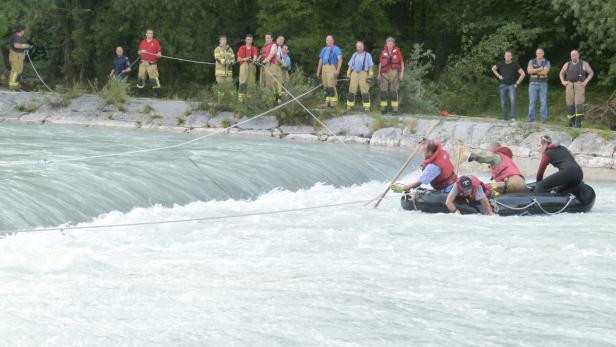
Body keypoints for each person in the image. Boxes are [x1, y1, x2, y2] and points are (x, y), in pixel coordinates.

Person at [391, 140, 457, 193]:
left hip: (447, 190)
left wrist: (403, 188)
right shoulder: (442, 152)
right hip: (453, 182)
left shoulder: (433, 166)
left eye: (423, 152)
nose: (421, 153)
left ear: (429, 152)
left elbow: (418, 183)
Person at [559, 50, 594, 128]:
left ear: (578, 55)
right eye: (572, 55)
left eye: (575, 55)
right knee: (569, 104)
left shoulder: (584, 64)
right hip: (569, 84)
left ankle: (578, 123)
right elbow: (561, 73)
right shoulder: (567, 64)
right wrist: (562, 81)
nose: (573, 57)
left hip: (579, 84)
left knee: (579, 104)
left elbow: (591, 73)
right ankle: (570, 121)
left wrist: (586, 82)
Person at [491, 51, 525, 121]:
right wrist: (498, 75)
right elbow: (493, 68)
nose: (508, 57)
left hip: (512, 86)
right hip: (503, 85)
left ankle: (513, 118)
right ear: (504, 56)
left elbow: (523, 74)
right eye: (506, 56)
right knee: (503, 102)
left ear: (511, 57)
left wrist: (517, 83)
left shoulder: (515, 64)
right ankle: (505, 118)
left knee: (513, 101)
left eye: (509, 56)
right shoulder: (501, 63)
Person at [377, 37, 404, 114]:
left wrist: (401, 73)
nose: (389, 45)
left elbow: (402, 62)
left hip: (394, 72)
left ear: (394, 44)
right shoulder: (383, 52)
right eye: (388, 43)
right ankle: (383, 109)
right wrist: (379, 74)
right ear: (386, 44)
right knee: (383, 91)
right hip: (384, 73)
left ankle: (395, 109)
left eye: (391, 43)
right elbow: (380, 63)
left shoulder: (397, 52)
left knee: (394, 91)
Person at [346, 41, 374, 111]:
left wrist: (370, 74)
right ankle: (349, 106)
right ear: (356, 47)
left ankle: (366, 107)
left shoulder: (368, 55)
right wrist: (348, 72)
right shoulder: (354, 55)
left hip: (363, 73)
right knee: (352, 89)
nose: (360, 48)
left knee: (365, 90)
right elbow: (350, 65)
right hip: (354, 73)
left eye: (361, 46)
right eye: (358, 46)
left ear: (363, 46)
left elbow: (370, 66)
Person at [316, 35, 342, 108]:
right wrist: (318, 71)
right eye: (327, 40)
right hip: (324, 68)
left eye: (330, 40)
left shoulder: (336, 49)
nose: (328, 41)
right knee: (326, 86)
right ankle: (327, 103)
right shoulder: (324, 49)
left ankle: (333, 103)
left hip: (332, 67)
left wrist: (338, 70)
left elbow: (340, 60)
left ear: (333, 41)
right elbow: (320, 60)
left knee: (331, 85)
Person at [527, 48, 551, 123]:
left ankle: (543, 119)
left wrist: (534, 70)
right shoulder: (531, 61)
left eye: (540, 53)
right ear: (536, 54)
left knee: (543, 102)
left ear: (543, 54)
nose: (539, 54)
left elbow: (545, 73)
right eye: (537, 53)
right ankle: (531, 119)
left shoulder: (547, 62)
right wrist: (540, 69)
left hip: (543, 84)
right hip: (533, 84)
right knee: (532, 102)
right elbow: (529, 71)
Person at [137, 29, 162, 96]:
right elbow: (138, 52)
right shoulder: (142, 42)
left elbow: (159, 53)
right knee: (140, 78)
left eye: (151, 33)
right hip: (143, 63)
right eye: (149, 33)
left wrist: (159, 54)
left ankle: (155, 93)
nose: (150, 34)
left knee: (153, 78)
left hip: (151, 63)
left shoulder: (155, 42)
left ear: (152, 35)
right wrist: (141, 51)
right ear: (146, 34)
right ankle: (140, 93)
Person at [8, 25, 31, 91]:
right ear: (21, 31)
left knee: (18, 71)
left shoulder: (15, 36)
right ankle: (12, 87)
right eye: (24, 31)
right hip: (16, 57)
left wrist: (24, 51)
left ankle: (15, 86)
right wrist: (25, 45)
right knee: (15, 71)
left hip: (18, 57)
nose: (24, 32)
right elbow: (16, 45)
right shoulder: (16, 37)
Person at [237, 34, 258, 102]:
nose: (249, 41)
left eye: (250, 40)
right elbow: (238, 59)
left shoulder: (254, 48)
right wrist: (245, 59)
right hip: (244, 65)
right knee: (243, 81)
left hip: (252, 66)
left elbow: (255, 56)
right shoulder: (242, 48)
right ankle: (241, 99)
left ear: (252, 41)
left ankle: (250, 100)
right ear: (245, 40)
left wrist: (254, 59)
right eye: (248, 39)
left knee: (251, 82)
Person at [258, 33, 281, 98]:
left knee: (271, 82)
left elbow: (271, 54)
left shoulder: (273, 45)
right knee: (263, 82)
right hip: (263, 66)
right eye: (266, 38)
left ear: (272, 39)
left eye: (268, 38)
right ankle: (267, 98)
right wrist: (257, 60)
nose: (267, 39)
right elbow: (261, 55)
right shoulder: (264, 46)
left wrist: (266, 60)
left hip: (270, 65)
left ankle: (275, 98)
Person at [214, 35, 235, 99]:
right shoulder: (217, 49)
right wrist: (225, 62)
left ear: (226, 40)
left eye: (224, 40)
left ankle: (233, 101)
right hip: (220, 73)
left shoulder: (230, 49)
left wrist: (231, 62)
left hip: (228, 72)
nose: (223, 41)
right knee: (221, 88)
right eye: (222, 40)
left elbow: (233, 58)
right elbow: (217, 58)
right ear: (220, 41)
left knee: (230, 87)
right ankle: (220, 101)